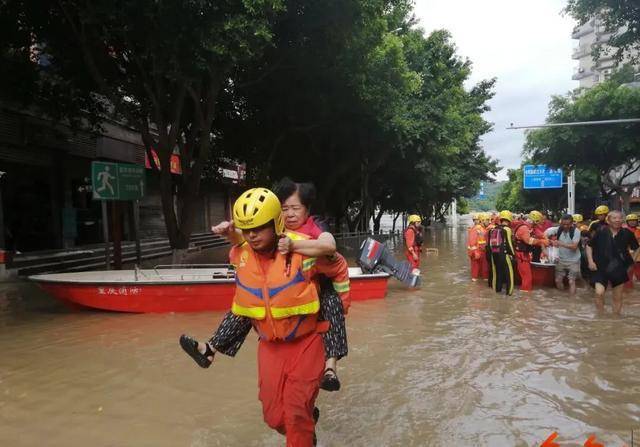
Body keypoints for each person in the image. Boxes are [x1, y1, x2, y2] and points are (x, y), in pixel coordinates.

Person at [181, 188, 350, 446]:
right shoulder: (241, 253)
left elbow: (337, 265)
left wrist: (338, 307)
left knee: (295, 411)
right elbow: (240, 253)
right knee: (274, 417)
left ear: (275, 223)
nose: (252, 235)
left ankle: (304, 423)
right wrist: (230, 233)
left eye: (259, 228)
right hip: (269, 346)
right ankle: (307, 424)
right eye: (247, 229)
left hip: (306, 343)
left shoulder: (304, 250)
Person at [201, 178, 349, 392]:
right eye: (285, 208)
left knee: (331, 305)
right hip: (281, 292)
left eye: (295, 208)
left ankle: (330, 368)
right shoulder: (272, 231)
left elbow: (329, 246)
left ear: (307, 210)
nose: (290, 214)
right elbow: (246, 240)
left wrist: (294, 245)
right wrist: (230, 232)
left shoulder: (315, 226)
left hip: (317, 281)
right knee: (246, 305)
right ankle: (211, 348)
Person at [586, 211, 640, 314]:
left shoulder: (627, 233)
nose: (617, 220)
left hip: (619, 267)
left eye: (619, 218)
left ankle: (615, 318)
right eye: (614, 218)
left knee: (617, 296)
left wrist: (632, 261)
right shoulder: (601, 231)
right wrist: (590, 261)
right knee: (599, 293)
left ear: (623, 220)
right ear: (609, 220)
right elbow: (589, 245)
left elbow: (636, 248)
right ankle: (601, 315)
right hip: (600, 267)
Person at [544, 214, 582, 294]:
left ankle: (572, 302)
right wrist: (550, 242)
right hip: (560, 259)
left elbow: (574, 247)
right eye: (563, 224)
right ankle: (562, 299)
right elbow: (544, 235)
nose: (565, 226)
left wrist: (560, 243)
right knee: (557, 280)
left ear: (571, 224)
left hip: (574, 260)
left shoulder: (576, 231)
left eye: (567, 224)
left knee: (571, 281)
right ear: (561, 223)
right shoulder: (557, 229)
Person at [513, 210, 549, 292]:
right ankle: (525, 297)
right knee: (527, 278)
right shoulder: (524, 228)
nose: (538, 224)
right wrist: (542, 242)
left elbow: (540, 234)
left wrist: (546, 240)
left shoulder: (531, 227)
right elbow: (528, 240)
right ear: (535, 220)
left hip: (525, 254)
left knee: (527, 277)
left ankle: (526, 294)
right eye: (538, 222)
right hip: (521, 255)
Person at [487, 210, 517, 295]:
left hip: (494, 255)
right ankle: (509, 293)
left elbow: (489, 245)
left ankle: (496, 293)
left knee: (496, 275)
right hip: (503, 254)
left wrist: (490, 256)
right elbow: (509, 244)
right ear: (509, 219)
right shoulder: (507, 229)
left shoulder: (492, 229)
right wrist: (513, 255)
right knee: (509, 274)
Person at [467, 213, 486, 281]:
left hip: (474, 250)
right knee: (479, 265)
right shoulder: (479, 228)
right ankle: (477, 278)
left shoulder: (472, 228)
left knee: (476, 266)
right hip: (477, 250)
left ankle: (476, 278)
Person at [625, 213, 640, 282]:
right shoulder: (623, 230)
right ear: (627, 222)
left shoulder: (639, 230)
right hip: (628, 254)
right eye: (630, 220)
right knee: (628, 274)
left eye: (634, 220)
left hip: (638, 255)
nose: (632, 222)